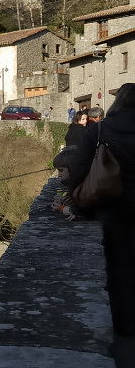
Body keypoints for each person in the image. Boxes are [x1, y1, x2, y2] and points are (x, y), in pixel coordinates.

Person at [68, 83, 135, 336]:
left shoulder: (99, 130)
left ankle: (125, 326)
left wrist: (77, 203)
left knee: (119, 266)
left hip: (111, 206)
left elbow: (79, 169)